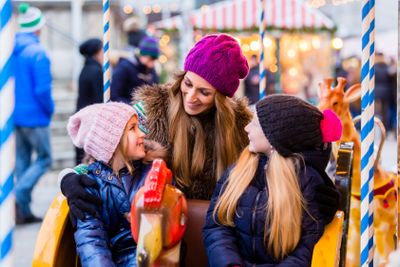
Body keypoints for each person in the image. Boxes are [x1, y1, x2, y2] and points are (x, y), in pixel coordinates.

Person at [60, 34, 339, 232]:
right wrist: (70, 179)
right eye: (188, 84)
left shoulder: (242, 128)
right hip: (152, 228)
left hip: (215, 231)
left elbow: (276, 167)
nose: (191, 97)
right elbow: (104, 156)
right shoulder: (148, 111)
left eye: (204, 92)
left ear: (221, 97)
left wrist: (318, 193)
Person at [203, 95, 342, 266]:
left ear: (274, 138)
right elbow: (217, 225)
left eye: (254, 123)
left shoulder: (306, 183)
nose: (247, 128)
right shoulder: (238, 170)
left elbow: (305, 250)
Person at [67, 102, 166, 266]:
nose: (142, 134)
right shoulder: (90, 184)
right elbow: (91, 240)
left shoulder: (153, 172)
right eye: (133, 128)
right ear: (111, 142)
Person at [13, 3, 54, 224]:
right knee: (45, 158)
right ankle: (18, 195)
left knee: (22, 162)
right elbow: (42, 90)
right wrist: (49, 109)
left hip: (16, 115)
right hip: (36, 116)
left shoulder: (11, 50)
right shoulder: (38, 53)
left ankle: (23, 211)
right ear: (37, 28)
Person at [75, 38, 104, 164]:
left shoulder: (85, 69)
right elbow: (99, 99)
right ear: (96, 53)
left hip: (82, 116)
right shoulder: (96, 71)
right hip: (91, 120)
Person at [110, 36, 160, 104]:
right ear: (142, 55)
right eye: (151, 58)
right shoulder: (124, 67)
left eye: (154, 59)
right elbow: (114, 96)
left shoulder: (151, 70)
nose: (152, 63)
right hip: (126, 111)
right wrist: (134, 107)